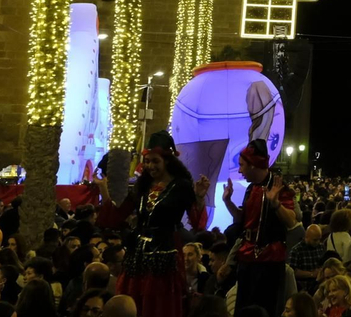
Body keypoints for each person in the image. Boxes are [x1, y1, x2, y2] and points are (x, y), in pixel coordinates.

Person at [96, 131, 212, 317]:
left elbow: (198, 222)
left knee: (158, 304)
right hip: (137, 255)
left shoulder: (181, 186)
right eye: (147, 161)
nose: (150, 166)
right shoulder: (142, 185)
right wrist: (104, 189)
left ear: (168, 160)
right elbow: (116, 216)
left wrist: (198, 197)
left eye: (155, 161)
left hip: (164, 254)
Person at [225, 139, 298, 317]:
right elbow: (242, 220)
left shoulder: (279, 188)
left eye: (242, 165)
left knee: (265, 308)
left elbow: (291, 221)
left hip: (269, 261)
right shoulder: (251, 189)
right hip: (247, 258)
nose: (240, 170)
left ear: (253, 165)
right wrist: (228, 201)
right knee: (244, 308)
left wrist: (276, 204)